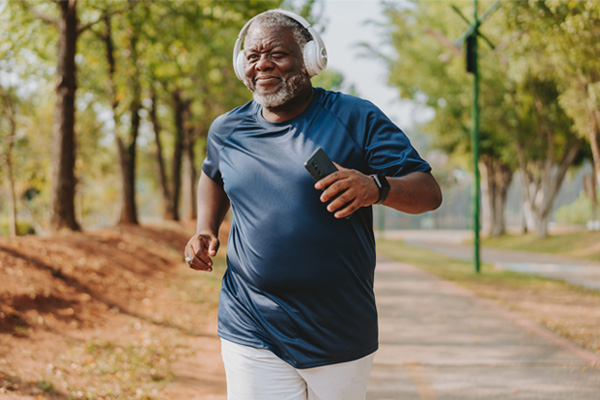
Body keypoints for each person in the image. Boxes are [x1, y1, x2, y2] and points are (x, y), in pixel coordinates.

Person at [184, 9, 442, 400]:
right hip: (251, 327)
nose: (263, 64)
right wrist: (205, 228)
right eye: (252, 56)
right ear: (241, 65)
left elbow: (428, 192)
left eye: (277, 54)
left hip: (337, 331)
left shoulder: (357, 118)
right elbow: (212, 174)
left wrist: (375, 187)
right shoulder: (227, 130)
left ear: (310, 60)